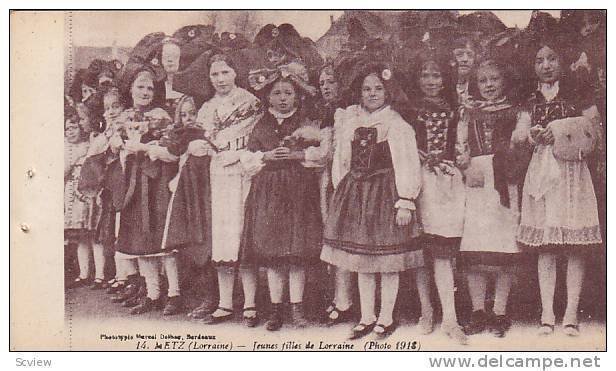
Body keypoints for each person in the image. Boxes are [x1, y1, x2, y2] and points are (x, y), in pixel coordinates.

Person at [321, 63, 423, 339]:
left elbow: (407, 163)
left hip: (385, 195)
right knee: (361, 259)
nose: (373, 94)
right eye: (367, 89)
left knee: (386, 260)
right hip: (356, 194)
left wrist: (405, 199)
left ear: (388, 91)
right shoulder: (351, 121)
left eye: (378, 88)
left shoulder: (396, 124)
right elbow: (342, 157)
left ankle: (386, 316)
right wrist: (342, 187)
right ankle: (366, 316)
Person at [516, 39, 603, 337]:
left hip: (573, 174)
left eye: (552, 58)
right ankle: (547, 313)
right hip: (542, 174)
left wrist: (564, 130)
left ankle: (570, 314)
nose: (546, 65)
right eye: (540, 60)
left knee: (574, 245)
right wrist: (531, 136)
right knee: (547, 246)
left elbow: (594, 129)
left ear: (561, 62)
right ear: (533, 66)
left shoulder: (578, 93)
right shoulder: (530, 98)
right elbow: (519, 133)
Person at [240, 76, 323, 331]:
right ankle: (276, 309)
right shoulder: (261, 124)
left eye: (288, 93)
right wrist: (265, 155)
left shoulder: (306, 122)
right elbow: (247, 157)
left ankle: (297, 308)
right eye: (277, 93)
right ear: (268, 97)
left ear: (297, 96)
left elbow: (322, 154)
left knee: (296, 252)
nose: (283, 98)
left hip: (299, 191)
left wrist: (298, 154)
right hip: (269, 192)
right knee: (274, 253)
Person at [185, 53, 262, 326]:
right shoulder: (206, 108)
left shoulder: (251, 103)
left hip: (244, 172)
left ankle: (251, 303)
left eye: (225, 72)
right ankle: (225, 303)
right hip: (217, 176)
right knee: (223, 238)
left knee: (243, 236)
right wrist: (197, 146)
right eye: (215, 74)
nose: (220, 79)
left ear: (235, 72)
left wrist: (241, 154)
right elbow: (197, 139)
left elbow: (260, 140)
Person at [457, 59, 528, 338]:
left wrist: (514, 148)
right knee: (475, 246)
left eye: (494, 79)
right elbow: (459, 145)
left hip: (504, 180)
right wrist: (464, 165)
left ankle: (499, 311)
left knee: (504, 245)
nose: (488, 85)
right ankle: (477, 311)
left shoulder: (516, 112)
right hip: (475, 180)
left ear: (504, 81)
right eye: (483, 80)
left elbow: (520, 145)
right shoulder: (468, 113)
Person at [407, 52, 468, 344]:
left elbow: (460, 144)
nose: (430, 81)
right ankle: (426, 309)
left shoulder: (455, 109)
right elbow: (405, 145)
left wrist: (455, 159)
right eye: (425, 75)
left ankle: (450, 317)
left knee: (444, 249)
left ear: (445, 79)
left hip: (447, 179)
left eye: (436, 75)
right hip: (417, 179)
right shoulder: (409, 109)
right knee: (421, 249)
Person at [113, 64, 183, 315]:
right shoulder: (124, 117)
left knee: (161, 238)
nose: (145, 92)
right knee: (139, 238)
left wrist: (143, 147)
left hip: (156, 182)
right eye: (140, 87)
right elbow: (117, 145)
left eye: (150, 88)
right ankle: (152, 292)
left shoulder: (161, 116)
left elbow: (171, 152)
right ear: (130, 88)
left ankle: (174, 293)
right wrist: (117, 143)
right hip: (134, 181)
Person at [65, 106, 99, 288]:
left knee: (92, 232)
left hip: (88, 190)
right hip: (71, 192)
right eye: (67, 129)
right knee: (80, 237)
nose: (70, 132)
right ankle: (84, 273)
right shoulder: (66, 148)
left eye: (74, 127)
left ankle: (99, 274)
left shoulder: (88, 144)